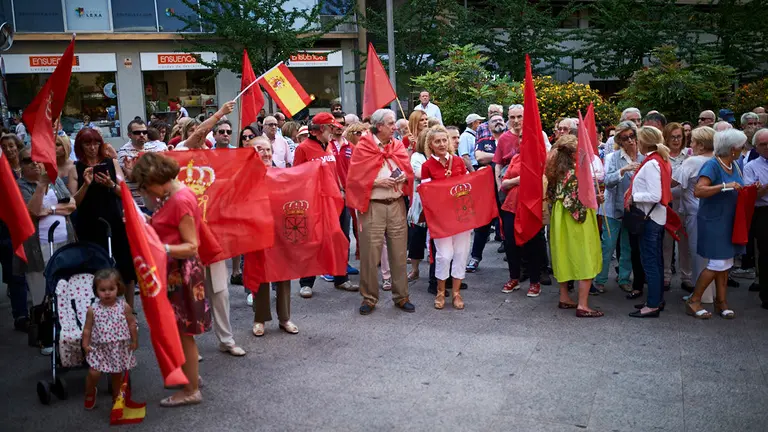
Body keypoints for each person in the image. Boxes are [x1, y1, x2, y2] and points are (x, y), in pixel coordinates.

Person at [132, 152, 211, 406]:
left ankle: (191, 391)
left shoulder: (179, 200)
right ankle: (191, 378)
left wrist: (159, 247)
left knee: (182, 333)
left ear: (157, 178)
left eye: (146, 186)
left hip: (182, 273)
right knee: (179, 331)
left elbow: (191, 246)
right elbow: (168, 226)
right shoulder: (171, 194)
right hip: (176, 271)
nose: (146, 192)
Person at [347, 108, 415, 315]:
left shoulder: (397, 146)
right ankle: (369, 298)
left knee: (399, 253)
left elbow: (408, 170)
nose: (395, 127)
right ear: (379, 126)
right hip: (373, 205)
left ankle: (402, 296)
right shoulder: (363, 147)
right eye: (391, 123)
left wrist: (404, 177)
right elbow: (354, 180)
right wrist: (377, 182)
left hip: (396, 203)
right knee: (370, 254)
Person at [293, 112, 359, 298]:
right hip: (315, 202)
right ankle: (306, 283)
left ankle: (341, 278)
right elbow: (297, 175)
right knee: (313, 242)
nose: (333, 131)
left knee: (340, 238)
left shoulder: (329, 146)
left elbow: (334, 172)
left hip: (335, 199)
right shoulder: (303, 148)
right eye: (331, 127)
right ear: (320, 129)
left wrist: (341, 190)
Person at [684, 129, 746, 319]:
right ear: (733, 149)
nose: (743, 149)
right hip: (713, 221)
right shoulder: (712, 165)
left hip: (728, 220)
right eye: (741, 146)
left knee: (726, 262)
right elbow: (699, 191)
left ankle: (721, 302)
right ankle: (694, 300)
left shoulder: (734, 165)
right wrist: (725, 186)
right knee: (717, 263)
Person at [72, 129, 137, 307]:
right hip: (89, 223)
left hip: (114, 220)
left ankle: (130, 310)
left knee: (126, 266)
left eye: (96, 143)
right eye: (87, 144)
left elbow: (125, 193)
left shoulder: (111, 163)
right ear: (80, 146)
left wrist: (111, 184)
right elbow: (73, 203)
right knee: (94, 268)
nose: (92, 148)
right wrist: (86, 185)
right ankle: (99, 310)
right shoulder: (75, 167)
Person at [546, 135, 603, 317]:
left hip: (559, 217)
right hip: (577, 219)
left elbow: (552, 196)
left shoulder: (555, 172)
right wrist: (597, 199)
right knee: (585, 255)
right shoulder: (577, 173)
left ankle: (564, 297)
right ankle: (583, 305)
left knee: (563, 255)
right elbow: (578, 203)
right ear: (572, 154)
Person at [249, 139, 299, 337]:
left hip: (281, 231)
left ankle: (285, 318)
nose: (266, 153)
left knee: (283, 273)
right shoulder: (247, 177)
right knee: (260, 274)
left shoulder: (282, 174)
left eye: (268, 149)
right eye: (260, 149)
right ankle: (260, 318)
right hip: (257, 232)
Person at [16, 148, 77, 310]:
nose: (35, 163)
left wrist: (50, 209)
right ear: (21, 165)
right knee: (41, 296)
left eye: (38, 159)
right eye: (28, 160)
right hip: (37, 247)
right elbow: (34, 212)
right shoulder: (19, 187)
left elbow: (71, 205)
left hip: (64, 242)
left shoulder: (55, 180)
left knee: (65, 290)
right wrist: (42, 184)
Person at [420, 125, 470, 310]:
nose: (441, 144)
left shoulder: (458, 162)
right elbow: (427, 194)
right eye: (437, 141)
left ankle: (456, 293)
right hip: (440, 218)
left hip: (461, 216)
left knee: (461, 254)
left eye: (444, 140)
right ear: (430, 145)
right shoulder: (427, 166)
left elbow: (468, 186)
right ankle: (440, 292)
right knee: (444, 255)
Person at [627, 127, 671, 318]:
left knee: (650, 262)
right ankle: (656, 299)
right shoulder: (659, 159)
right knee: (655, 261)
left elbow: (655, 195)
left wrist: (634, 197)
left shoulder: (652, 163)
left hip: (650, 218)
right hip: (655, 217)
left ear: (643, 141)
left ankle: (652, 304)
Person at [595, 121, 642, 293]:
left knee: (627, 246)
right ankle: (599, 279)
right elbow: (607, 182)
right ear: (619, 141)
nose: (630, 140)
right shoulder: (612, 158)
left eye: (632, 136)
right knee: (608, 245)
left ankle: (624, 278)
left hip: (633, 209)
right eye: (625, 138)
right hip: (612, 209)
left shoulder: (643, 157)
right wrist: (622, 171)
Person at [82, 268, 138, 409]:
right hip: (99, 348)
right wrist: (85, 344)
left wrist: (134, 340)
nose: (107, 293)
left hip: (118, 347)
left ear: (118, 288)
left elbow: (131, 324)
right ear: (96, 291)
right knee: (93, 373)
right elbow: (87, 329)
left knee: (116, 376)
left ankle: (116, 398)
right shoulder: (93, 309)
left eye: (111, 289)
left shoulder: (124, 306)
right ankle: (90, 391)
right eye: (103, 290)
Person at [673, 126, 716, 299]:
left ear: (701, 145)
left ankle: (701, 295)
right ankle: (711, 294)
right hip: (715, 212)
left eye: (692, 141)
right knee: (713, 255)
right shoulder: (719, 159)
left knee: (698, 254)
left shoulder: (693, 161)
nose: (690, 145)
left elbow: (674, 182)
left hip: (696, 213)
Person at [499, 151, 547, 298]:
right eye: (520, 139)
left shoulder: (541, 158)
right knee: (510, 243)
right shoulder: (516, 157)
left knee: (532, 243)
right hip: (511, 206)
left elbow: (544, 182)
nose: (522, 141)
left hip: (531, 207)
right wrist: (518, 180)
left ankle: (535, 281)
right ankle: (514, 277)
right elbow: (504, 183)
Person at [0, 134, 31, 331]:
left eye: (11, 146)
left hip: (31, 227)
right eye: (4, 147)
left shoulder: (29, 168)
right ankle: (20, 315)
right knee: (15, 273)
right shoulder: (2, 171)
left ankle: (38, 311)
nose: (9, 150)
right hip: (7, 229)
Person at [662, 122, 690, 290]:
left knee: (685, 243)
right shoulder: (662, 156)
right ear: (666, 138)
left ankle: (687, 277)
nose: (676, 140)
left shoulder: (689, 155)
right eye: (672, 137)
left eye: (679, 136)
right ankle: (665, 276)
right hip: (667, 204)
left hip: (685, 204)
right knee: (666, 243)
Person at [118, 119, 168, 208]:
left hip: (155, 202)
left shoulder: (154, 147)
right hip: (137, 203)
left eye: (144, 132)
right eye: (137, 133)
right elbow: (132, 176)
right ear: (129, 135)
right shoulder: (124, 152)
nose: (141, 135)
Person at [746, 129, 768, 303]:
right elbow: (751, 195)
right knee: (766, 253)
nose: (767, 147)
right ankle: (766, 295)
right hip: (763, 212)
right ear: (756, 147)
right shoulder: (751, 167)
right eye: (763, 144)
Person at [408, 130, 429, 282]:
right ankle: (415, 270)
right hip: (420, 204)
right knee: (417, 237)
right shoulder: (417, 156)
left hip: (439, 204)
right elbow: (419, 174)